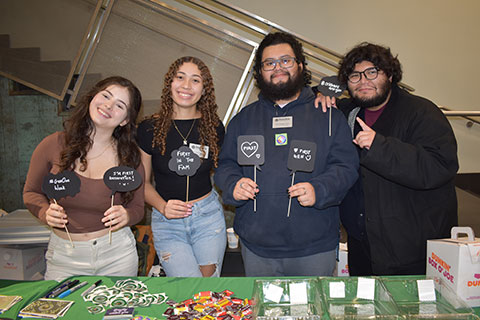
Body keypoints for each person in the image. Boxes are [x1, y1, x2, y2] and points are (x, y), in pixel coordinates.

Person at [214, 32, 358, 277]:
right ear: (260, 72)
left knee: (311, 314)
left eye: (286, 60)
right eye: (269, 63)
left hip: (314, 248)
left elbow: (346, 167)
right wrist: (233, 184)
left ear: (300, 65)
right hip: (257, 248)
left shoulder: (329, 116)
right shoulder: (243, 119)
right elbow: (226, 165)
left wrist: (319, 189)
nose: (278, 68)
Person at [316, 42, 458, 275]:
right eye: (354, 76)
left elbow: (439, 167)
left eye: (372, 72)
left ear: (390, 75)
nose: (363, 81)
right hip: (362, 244)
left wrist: (379, 146)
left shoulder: (422, 112)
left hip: (410, 249)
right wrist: (321, 93)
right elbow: (309, 95)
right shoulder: (348, 111)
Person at [23, 76, 145, 281]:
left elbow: (138, 209)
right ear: (92, 97)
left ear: (125, 120)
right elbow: (31, 192)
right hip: (64, 258)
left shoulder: (130, 158)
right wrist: (45, 212)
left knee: (117, 314)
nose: (108, 106)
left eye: (119, 105)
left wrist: (127, 216)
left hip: (117, 256)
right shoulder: (53, 144)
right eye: (105, 96)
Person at [137, 56, 226, 277]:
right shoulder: (149, 128)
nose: (186, 86)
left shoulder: (213, 127)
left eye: (195, 80)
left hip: (208, 218)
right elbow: (143, 183)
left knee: (208, 293)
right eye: (180, 78)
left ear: (204, 89)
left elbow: (223, 169)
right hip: (167, 221)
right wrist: (162, 206)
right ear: (170, 83)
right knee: (186, 293)